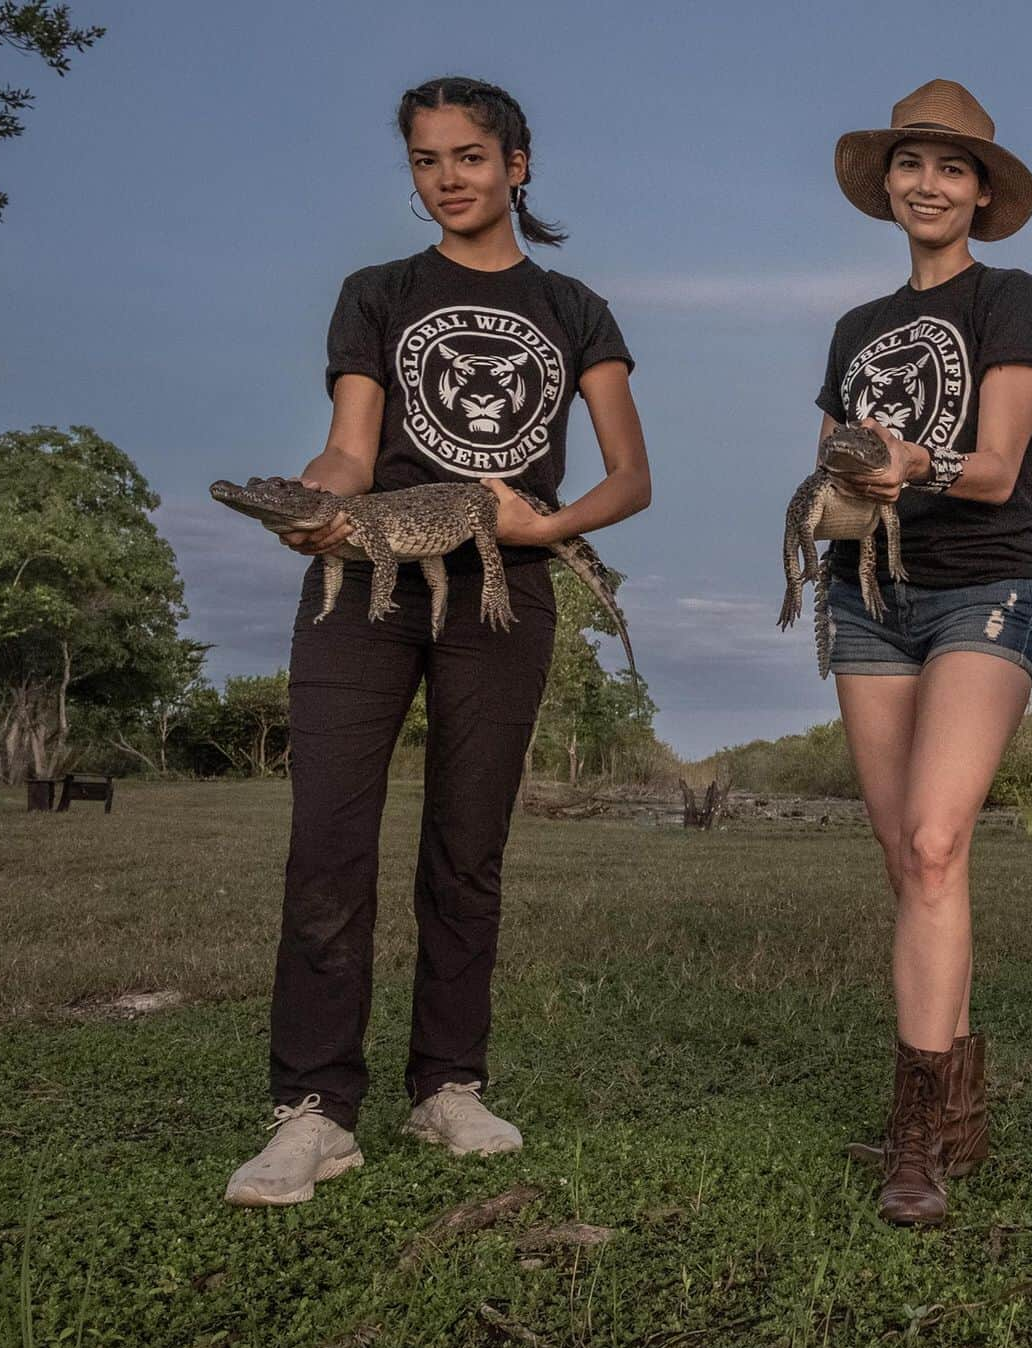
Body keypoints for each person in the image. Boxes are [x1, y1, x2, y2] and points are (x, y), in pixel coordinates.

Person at [225, 76, 650, 1206]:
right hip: (361, 585)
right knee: (328, 838)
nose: (446, 179)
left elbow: (630, 477)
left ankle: (447, 1085)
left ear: (519, 162)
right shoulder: (377, 291)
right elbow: (351, 449)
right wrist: (312, 498)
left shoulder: (575, 307)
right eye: (425, 160)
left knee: (468, 847)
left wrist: (546, 524)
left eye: (469, 156)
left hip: (502, 594)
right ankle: (313, 1110)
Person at [814, 80, 1032, 1225]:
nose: (929, 184)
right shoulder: (856, 330)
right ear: (888, 183)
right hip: (869, 600)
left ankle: (915, 1136)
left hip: (983, 589)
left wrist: (919, 466)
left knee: (933, 836)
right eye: (913, 164)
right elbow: (837, 465)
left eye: (952, 169)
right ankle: (958, 1091)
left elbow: (1001, 468)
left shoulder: (1011, 299)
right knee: (904, 860)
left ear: (980, 193)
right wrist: (832, 499)